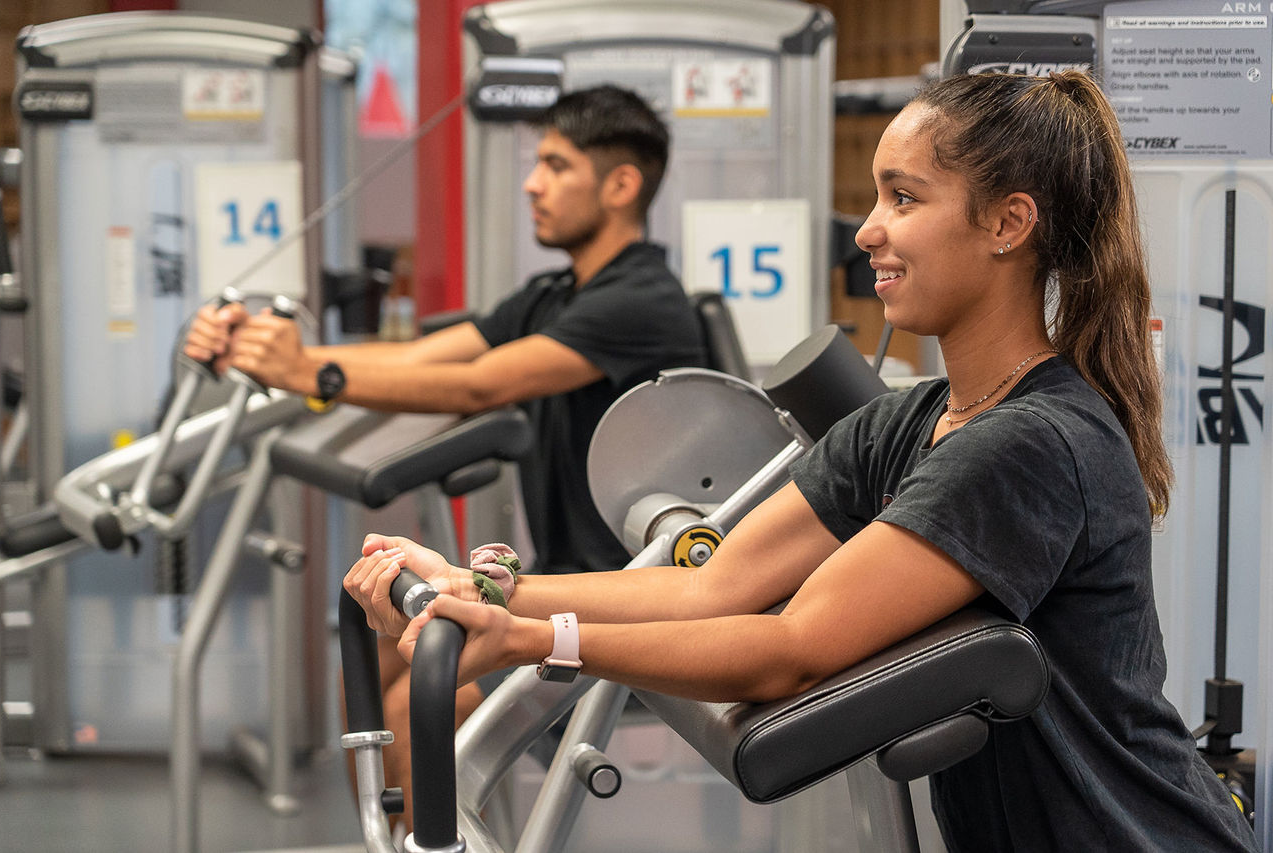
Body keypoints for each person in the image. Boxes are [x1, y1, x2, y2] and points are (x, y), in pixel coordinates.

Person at [346, 71, 1259, 852]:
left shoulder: (1033, 444)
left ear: (1007, 224)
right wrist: (490, 593)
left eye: (904, 199)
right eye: (875, 199)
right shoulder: (905, 422)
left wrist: (541, 640)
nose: (867, 230)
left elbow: (788, 648)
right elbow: (707, 586)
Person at [187, 84, 706, 830]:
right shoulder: (555, 293)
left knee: (421, 692)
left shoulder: (643, 301)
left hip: (627, 602)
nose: (533, 182)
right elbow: (428, 357)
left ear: (621, 184)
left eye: (556, 165)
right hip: (562, 576)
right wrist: (267, 355)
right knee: (377, 650)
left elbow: (479, 382)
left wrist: (309, 373)